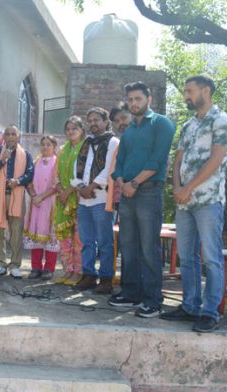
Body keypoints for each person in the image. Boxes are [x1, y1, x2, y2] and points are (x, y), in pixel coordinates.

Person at [160, 75, 227, 333]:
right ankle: (190, 306)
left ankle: (210, 311)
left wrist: (188, 188)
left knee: (212, 258)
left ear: (206, 90)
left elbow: (216, 161)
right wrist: (177, 187)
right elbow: (178, 160)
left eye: (190, 91)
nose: (186, 96)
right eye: (185, 91)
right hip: (184, 203)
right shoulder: (188, 125)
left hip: (208, 200)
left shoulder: (223, 121)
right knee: (187, 258)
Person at [110, 81, 176, 318]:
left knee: (149, 247)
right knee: (128, 246)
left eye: (138, 98)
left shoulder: (162, 124)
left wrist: (134, 184)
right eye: (130, 99)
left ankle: (152, 300)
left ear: (149, 99)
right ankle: (130, 293)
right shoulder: (129, 132)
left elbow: (158, 160)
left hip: (148, 192)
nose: (134, 103)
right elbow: (118, 165)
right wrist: (122, 183)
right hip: (127, 193)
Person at [71, 108, 120, 294]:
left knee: (105, 241)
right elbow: (78, 167)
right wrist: (81, 187)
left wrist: (90, 187)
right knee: (87, 241)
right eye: (90, 120)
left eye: (96, 120)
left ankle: (106, 279)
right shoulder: (86, 143)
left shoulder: (113, 142)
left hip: (101, 198)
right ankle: (89, 275)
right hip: (84, 200)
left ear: (106, 121)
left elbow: (109, 168)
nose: (93, 123)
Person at [0, 125, 34, 278]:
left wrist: (18, 181)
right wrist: (2, 160)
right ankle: (1, 264)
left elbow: (29, 174)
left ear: (18, 137)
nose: (10, 136)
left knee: (16, 231)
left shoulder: (25, 154)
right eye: (7, 134)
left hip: (17, 196)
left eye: (14, 134)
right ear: (4, 137)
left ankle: (15, 264)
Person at [54, 117, 85, 286]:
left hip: (79, 197)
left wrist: (68, 192)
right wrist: (60, 190)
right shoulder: (62, 150)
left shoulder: (85, 148)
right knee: (65, 237)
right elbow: (56, 173)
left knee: (78, 237)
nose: (71, 131)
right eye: (68, 129)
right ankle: (68, 270)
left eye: (74, 128)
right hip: (63, 199)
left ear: (81, 129)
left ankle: (79, 272)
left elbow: (83, 175)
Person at [23, 135, 60, 280]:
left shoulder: (57, 163)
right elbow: (29, 182)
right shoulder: (36, 161)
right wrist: (33, 196)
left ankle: (49, 268)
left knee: (50, 235)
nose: (45, 147)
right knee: (35, 234)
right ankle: (36, 267)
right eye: (43, 144)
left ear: (54, 147)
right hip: (36, 204)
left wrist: (41, 197)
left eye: (48, 144)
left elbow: (56, 185)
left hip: (50, 202)